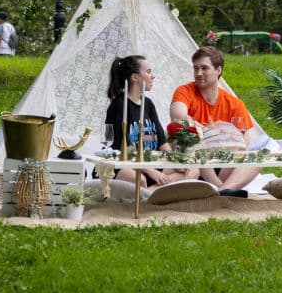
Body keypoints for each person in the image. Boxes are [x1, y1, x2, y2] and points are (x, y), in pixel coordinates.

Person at [170, 46, 258, 193]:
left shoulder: (235, 104)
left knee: (255, 158)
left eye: (204, 68)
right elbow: (177, 116)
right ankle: (222, 189)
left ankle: (222, 190)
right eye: (196, 68)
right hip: (193, 164)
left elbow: (243, 141)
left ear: (218, 70)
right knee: (190, 140)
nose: (199, 73)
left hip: (222, 165)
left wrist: (220, 142)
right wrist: (211, 132)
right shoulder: (185, 91)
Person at [104, 55, 197, 189]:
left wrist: (175, 161)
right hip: (126, 164)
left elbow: (162, 142)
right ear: (135, 77)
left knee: (192, 171)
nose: (153, 76)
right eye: (148, 72)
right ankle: (154, 192)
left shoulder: (148, 104)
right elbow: (121, 148)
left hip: (151, 162)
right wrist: (151, 171)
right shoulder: (119, 105)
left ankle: (150, 192)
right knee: (140, 180)